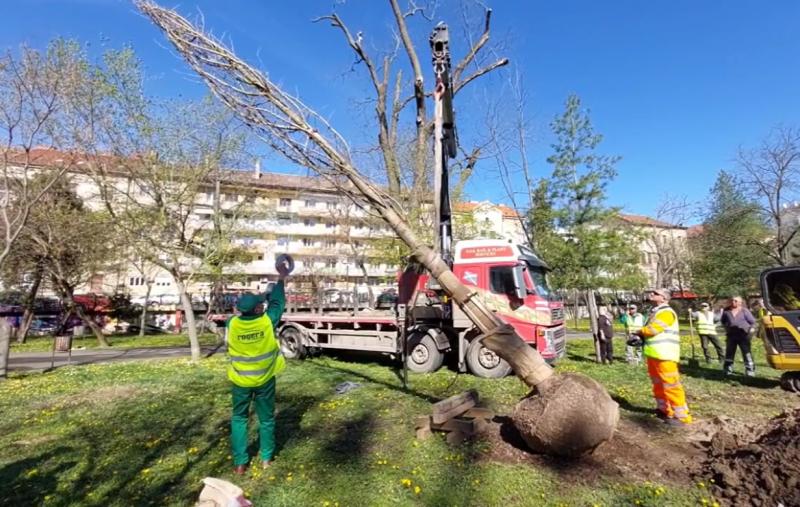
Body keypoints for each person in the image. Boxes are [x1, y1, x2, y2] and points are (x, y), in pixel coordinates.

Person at [227, 260, 291, 474]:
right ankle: (266, 458)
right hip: (264, 381)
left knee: (239, 419)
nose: (263, 305)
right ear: (257, 308)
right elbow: (277, 303)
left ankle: (240, 463)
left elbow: (260, 306)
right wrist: (281, 278)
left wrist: (261, 297)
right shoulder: (267, 321)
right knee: (266, 420)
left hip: (240, 382)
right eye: (259, 304)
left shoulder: (232, 324)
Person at [631, 288, 692, 425]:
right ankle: (664, 410)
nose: (651, 294)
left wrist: (639, 331)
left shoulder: (666, 312)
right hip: (654, 354)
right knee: (658, 384)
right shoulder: (656, 312)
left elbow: (653, 330)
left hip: (665, 354)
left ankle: (682, 416)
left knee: (671, 385)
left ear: (664, 298)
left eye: (656, 293)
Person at [720, 296, 756, 377]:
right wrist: (727, 328)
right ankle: (727, 370)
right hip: (731, 336)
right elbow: (723, 321)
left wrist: (752, 329)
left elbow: (753, 322)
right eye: (732, 300)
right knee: (729, 353)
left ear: (740, 302)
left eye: (736, 301)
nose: (733, 302)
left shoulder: (744, 311)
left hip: (743, 336)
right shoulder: (726, 311)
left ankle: (750, 371)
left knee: (746, 353)